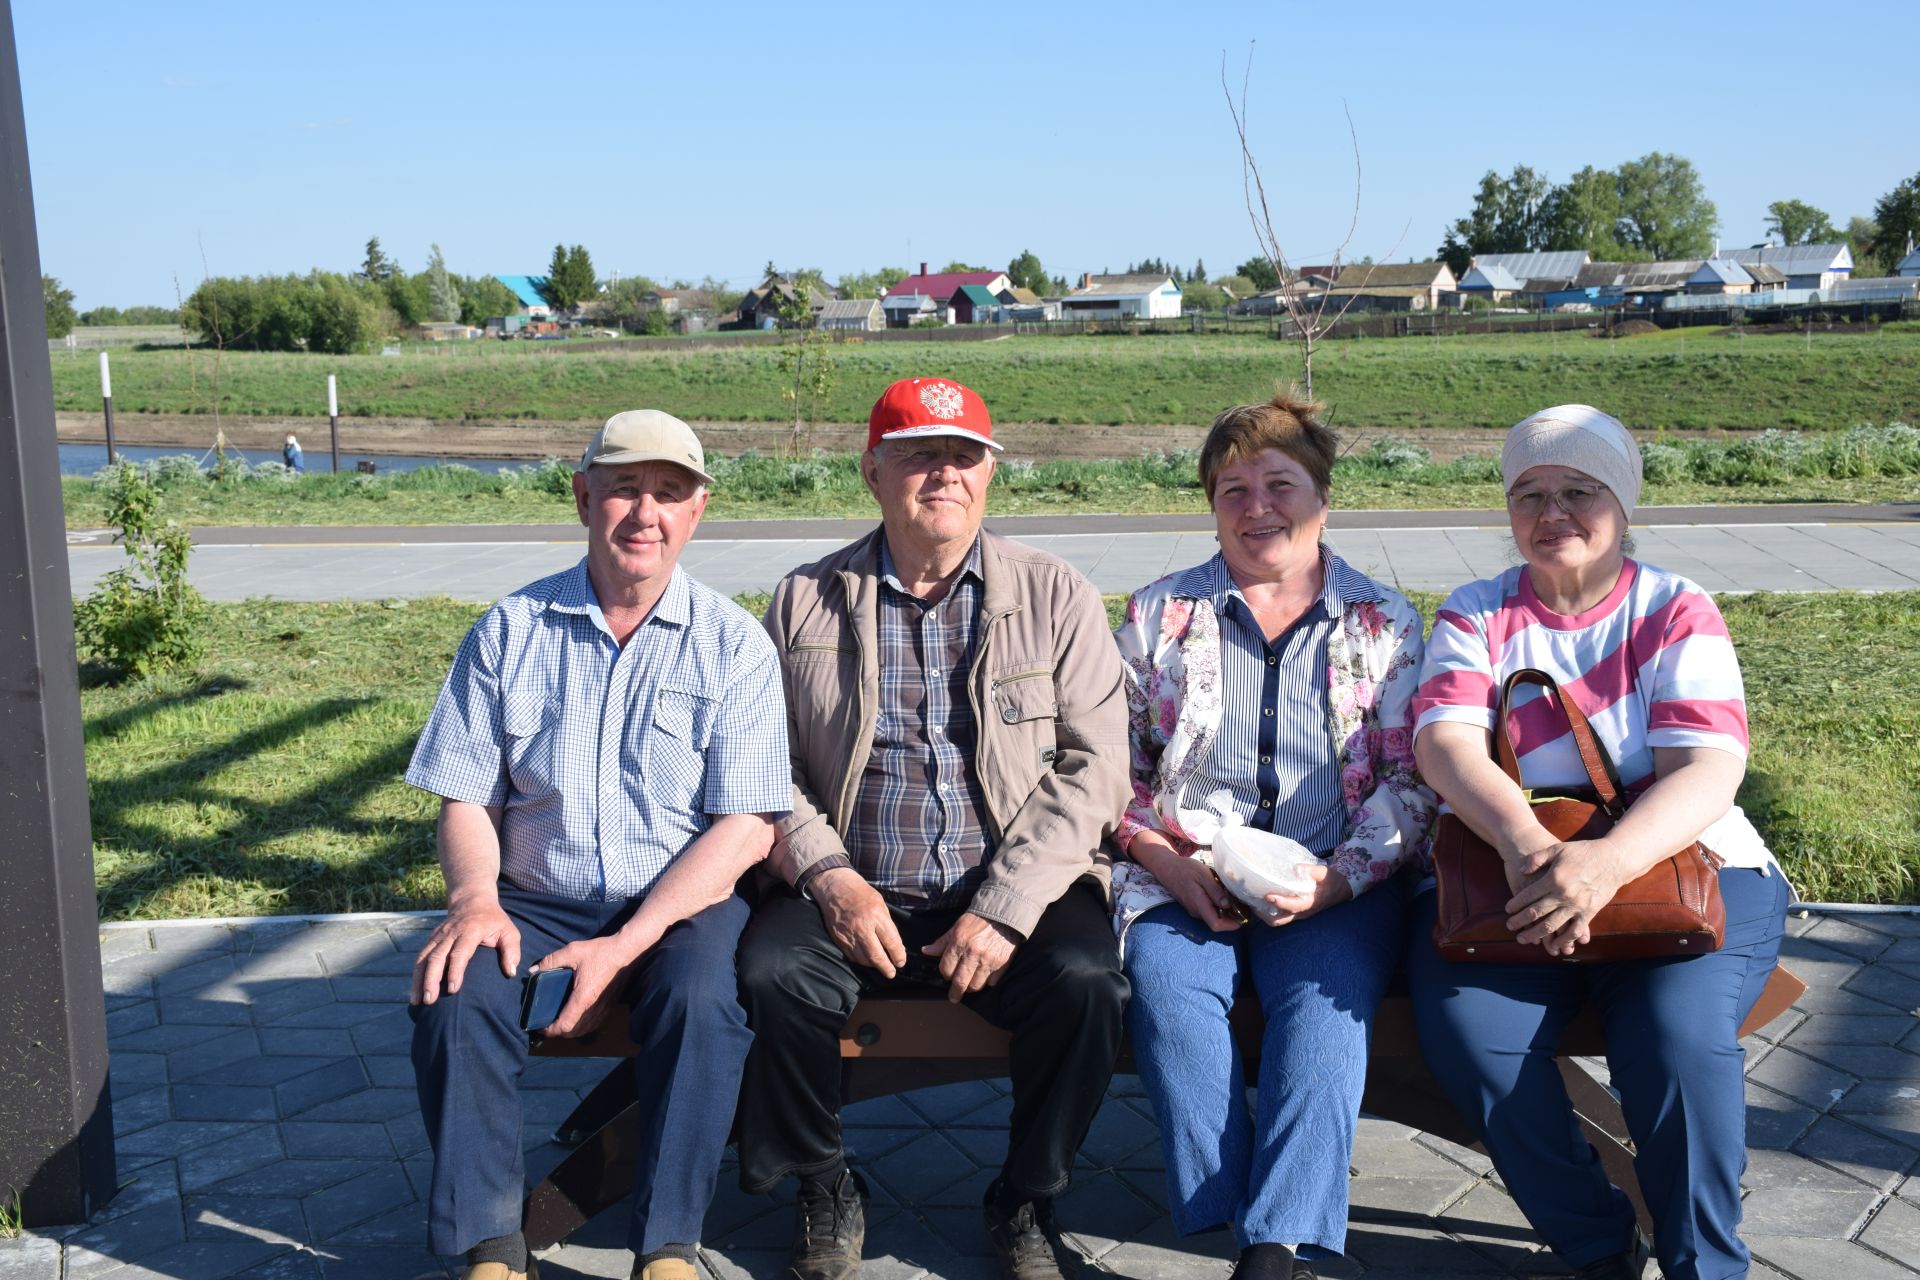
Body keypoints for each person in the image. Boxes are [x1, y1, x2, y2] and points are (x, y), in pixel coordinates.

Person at [737, 377, 1132, 1280]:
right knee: (770, 972)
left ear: (990, 475)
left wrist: (1006, 906)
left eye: (963, 456)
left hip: (1004, 886)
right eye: (919, 455)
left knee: (1087, 985)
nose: (943, 474)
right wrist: (828, 876)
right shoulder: (804, 600)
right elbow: (763, 768)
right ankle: (825, 1182)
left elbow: (1096, 765)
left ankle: (1028, 1198)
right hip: (854, 882)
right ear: (874, 472)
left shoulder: (1054, 593)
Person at [404, 410, 791, 1280]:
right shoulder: (510, 629)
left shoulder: (735, 645)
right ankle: (492, 1243)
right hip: (533, 895)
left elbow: (746, 826)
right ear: (583, 498)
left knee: (701, 1004)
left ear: (698, 511)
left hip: (683, 903)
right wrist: (474, 902)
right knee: (454, 987)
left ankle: (667, 1245)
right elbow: (466, 794)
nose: (644, 512)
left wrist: (629, 939)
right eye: (623, 488)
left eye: (669, 492)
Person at [1406, 405, 1790, 1280]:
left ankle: (1706, 1266)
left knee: (1678, 1040)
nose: (1553, 514)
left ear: (1622, 503)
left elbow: (1707, 767)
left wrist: (1605, 865)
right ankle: (1595, 1245)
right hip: (1520, 866)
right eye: (1529, 494)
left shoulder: (1675, 609)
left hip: (1678, 866)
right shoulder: (1474, 613)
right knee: (1473, 1035)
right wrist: (1533, 852)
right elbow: (1445, 743)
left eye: (1580, 490)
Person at [1109, 392, 1435, 1280]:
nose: (1257, 507)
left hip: (1336, 877)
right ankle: (1228, 1205)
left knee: (1320, 1014)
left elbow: (1412, 782)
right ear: (1210, 507)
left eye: (1279, 483)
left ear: (1322, 498)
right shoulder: (1156, 617)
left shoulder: (1384, 625)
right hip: (1184, 872)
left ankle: (1273, 1249)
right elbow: (1114, 771)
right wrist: (1166, 862)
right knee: (1174, 1001)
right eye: (1232, 489)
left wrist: (1337, 882)